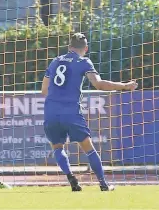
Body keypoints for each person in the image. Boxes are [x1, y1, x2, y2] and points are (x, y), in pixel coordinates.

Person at [41, 33, 138, 192]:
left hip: (51, 110)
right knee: (88, 148)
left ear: (69, 46)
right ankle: (103, 184)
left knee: (57, 147)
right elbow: (99, 84)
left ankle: (71, 177)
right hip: (70, 111)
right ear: (85, 48)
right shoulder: (83, 61)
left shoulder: (55, 61)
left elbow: (44, 90)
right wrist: (125, 86)